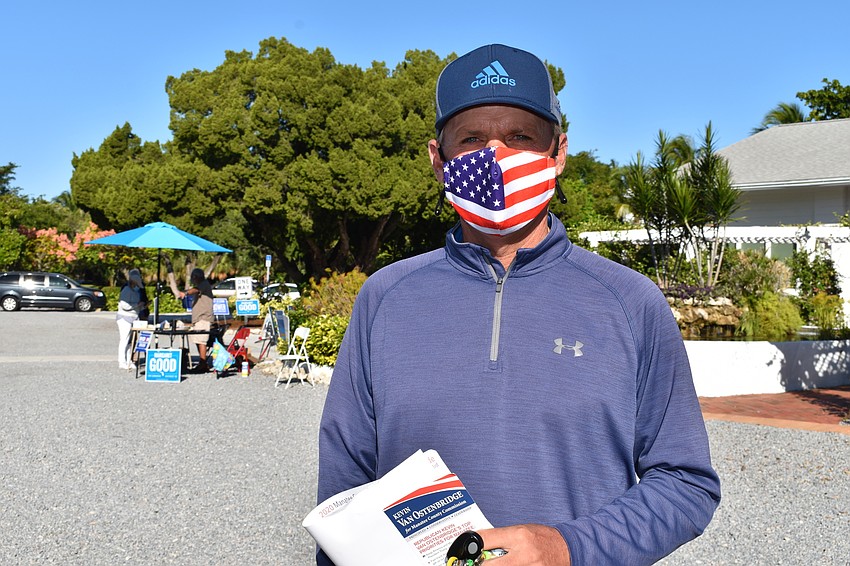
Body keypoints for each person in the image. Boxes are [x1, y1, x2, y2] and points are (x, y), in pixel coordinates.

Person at [317, 44, 721, 565]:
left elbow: (685, 482)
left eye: (520, 138)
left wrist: (568, 548)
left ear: (559, 153)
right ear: (438, 159)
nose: (496, 158)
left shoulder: (629, 301)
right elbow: (343, 486)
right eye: (472, 139)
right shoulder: (385, 298)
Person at [180, 268, 214, 372]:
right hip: (198, 319)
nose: (192, 280)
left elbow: (195, 290)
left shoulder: (203, 284)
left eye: (193, 278)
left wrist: (185, 293)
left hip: (203, 318)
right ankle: (202, 362)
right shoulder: (201, 285)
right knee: (198, 340)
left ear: (197, 277)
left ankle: (203, 364)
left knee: (201, 341)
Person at [116, 268, 144, 370]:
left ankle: (129, 360)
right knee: (124, 339)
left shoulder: (136, 290)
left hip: (134, 317)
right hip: (124, 318)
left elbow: (136, 305)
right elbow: (124, 306)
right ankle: (121, 361)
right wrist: (137, 305)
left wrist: (142, 306)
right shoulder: (126, 290)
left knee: (131, 341)